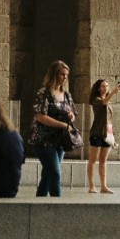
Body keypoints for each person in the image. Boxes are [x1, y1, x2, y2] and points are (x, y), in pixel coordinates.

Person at [29, 60, 76, 198]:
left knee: (47, 174)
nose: (65, 77)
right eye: (62, 74)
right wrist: (63, 125)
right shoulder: (44, 93)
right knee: (55, 173)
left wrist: (70, 116)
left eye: (66, 75)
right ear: (54, 75)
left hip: (60, 139)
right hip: (43, 138)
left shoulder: (66, 94)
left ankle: (39, 203)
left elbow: (72, 113)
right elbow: (40, 116)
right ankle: (57, 204)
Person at [87, 78, 120, 194]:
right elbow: (104, 102)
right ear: (98, 88)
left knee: (103, 161)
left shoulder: (109, 102)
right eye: (103, 86)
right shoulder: (96, 100)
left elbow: (109, 120)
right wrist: (113, 92)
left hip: (107, 134)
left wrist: (112, 136)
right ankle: (91, 186)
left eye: (107, 86)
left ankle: (104, 186)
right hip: (97, 133)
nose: (105, 88)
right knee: (93, 160)